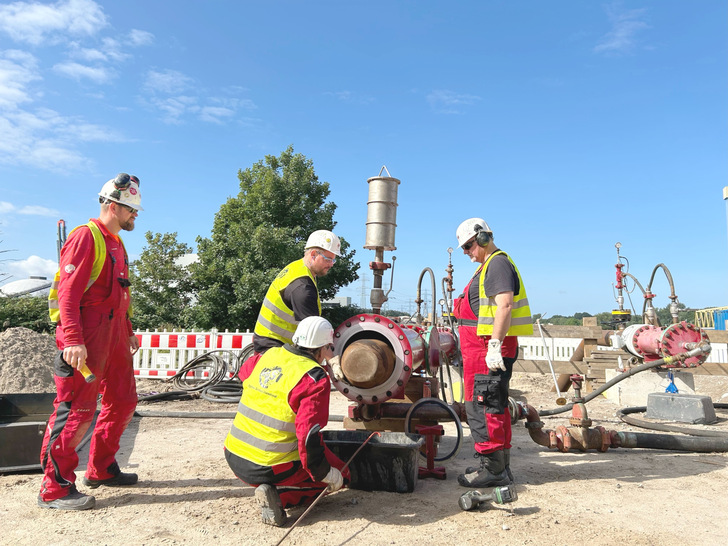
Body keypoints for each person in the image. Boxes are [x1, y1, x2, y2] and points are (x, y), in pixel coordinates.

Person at [38, 173, 143, 510]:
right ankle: (54, 488)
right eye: (130, 210)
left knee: (124, 400)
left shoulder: (117, 243)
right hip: (86, 337)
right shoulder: (86, 237)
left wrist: (126, 331)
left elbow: (118, 292)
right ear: (113, 205)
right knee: (77, 411)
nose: (135, 215)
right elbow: (67, 295)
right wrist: (72, 339)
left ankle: (101, 469)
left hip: (111, 336)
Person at [224, 316, 349, 526]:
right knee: (338, 476)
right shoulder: (313, 378)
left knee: (327, 462)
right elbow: (308, 437)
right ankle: (280, 495)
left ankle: (271, 485)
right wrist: (326, 473)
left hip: (234, 455)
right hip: (267, 466)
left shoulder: (269, 355)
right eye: (330, 348)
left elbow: (245, 375)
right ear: (324, 347)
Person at [452, 217, 533, 488]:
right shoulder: (487, 266)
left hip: (487, 350)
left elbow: (505, 306)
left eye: (468, 246)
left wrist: (495, 345)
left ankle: (493, 469)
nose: (466, 253)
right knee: (493, 405)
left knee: (483, 407)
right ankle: (500, 465)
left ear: (483, 238)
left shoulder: (497, 263)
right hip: (481, 350)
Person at [252, 230, 341, 355]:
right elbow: (314, 333)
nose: (331, 264)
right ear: (314, 254)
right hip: (273, 347)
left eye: (333, 260)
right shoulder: (302, 287)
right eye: (328, 259)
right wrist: (332, 360)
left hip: (268, 341)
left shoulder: (298, 268)